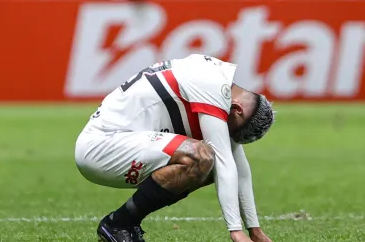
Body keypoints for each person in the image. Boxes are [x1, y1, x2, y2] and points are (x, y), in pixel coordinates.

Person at [75, 54, 275, 242]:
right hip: (102, 146)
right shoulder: (212, 85)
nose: (226, 134)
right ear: (238, 110)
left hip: (123, 141)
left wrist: (254, 229)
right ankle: (119, 223)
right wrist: (236, 232)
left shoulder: (219, 82)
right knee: (200, 156)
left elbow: (237, 165)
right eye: (231, 130)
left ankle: (122, 224)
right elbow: (224, 161)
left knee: (207, 162)